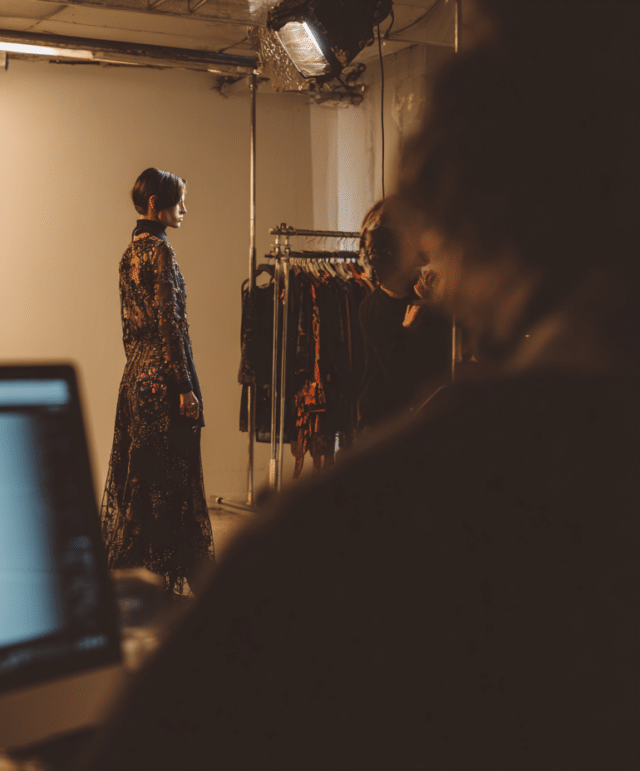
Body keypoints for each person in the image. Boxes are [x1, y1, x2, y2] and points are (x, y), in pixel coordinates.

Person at [75, 14, 637, 771]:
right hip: (165, 383)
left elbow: (164, 735)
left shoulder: (356, 530)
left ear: (459, 225)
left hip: (138, 382)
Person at [99, 168, 214, 596]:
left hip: (136, 377)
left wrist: (140, 373)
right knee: (171, 483)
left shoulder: (129, 253)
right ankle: (168, 587)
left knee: (141, 482)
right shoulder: (160, 253)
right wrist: (183, 385)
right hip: (165, 377)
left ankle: (134, 581)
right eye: (178, 201)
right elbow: (170, 323)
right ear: (154, 205)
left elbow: (130, 329)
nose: (184, 209)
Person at [356, 197, 451, 434]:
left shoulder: (418, 294)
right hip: (385, 426)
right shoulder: (372, 308)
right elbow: (399, 374)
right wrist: (409, 327)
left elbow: (443, 354)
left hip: (425, 418)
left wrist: (433, 302)